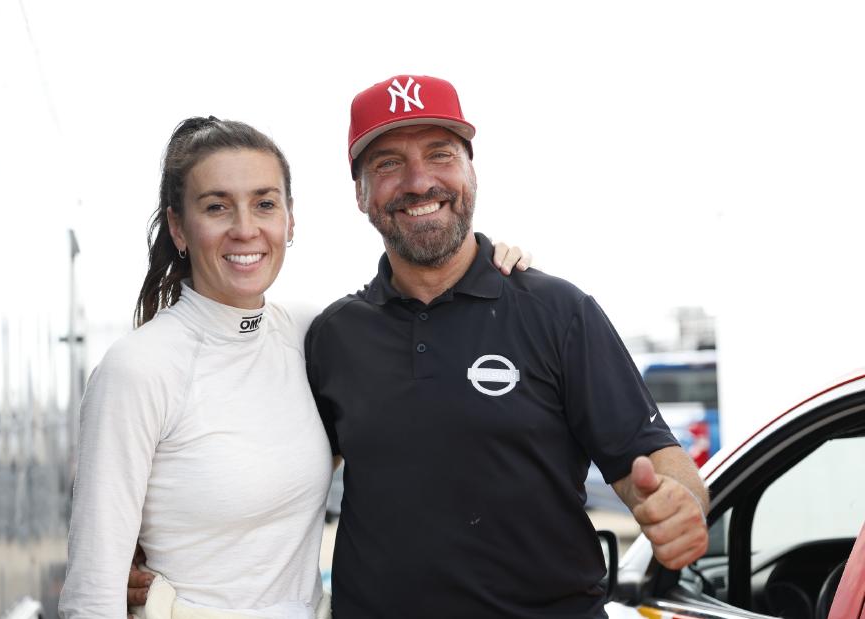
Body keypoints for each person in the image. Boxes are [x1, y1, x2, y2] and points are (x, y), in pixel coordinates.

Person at [61, 116, 529, 619]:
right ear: (179, 226)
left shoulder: (309, 334)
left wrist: (488, 259)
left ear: (290, 219)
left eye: (264, 203)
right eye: (217, 206)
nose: (245, 229)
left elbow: (422, 321)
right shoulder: (137, 369)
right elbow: (92, 594)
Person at [302, 75, 710, 618]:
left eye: (440, 154)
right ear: (359, 194)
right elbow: (284, 484)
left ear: (471, 171)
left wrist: (678, 504)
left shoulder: (557, 311)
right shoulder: (334, 336)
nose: (419, 181)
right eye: (388, 164)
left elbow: (658, 461)